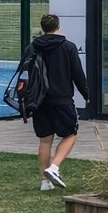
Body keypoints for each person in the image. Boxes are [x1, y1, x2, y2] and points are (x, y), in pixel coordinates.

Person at [25, 14, 90, 191]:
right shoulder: (68, 47)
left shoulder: (32, 47)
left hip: (39, 100)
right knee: (70, 134)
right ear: (58, 26)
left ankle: (45, 182)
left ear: (42, 27)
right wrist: (86, 94)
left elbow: (27, 71)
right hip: (62, 99)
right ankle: (54, 167)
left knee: (45, 140)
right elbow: (77, 73)